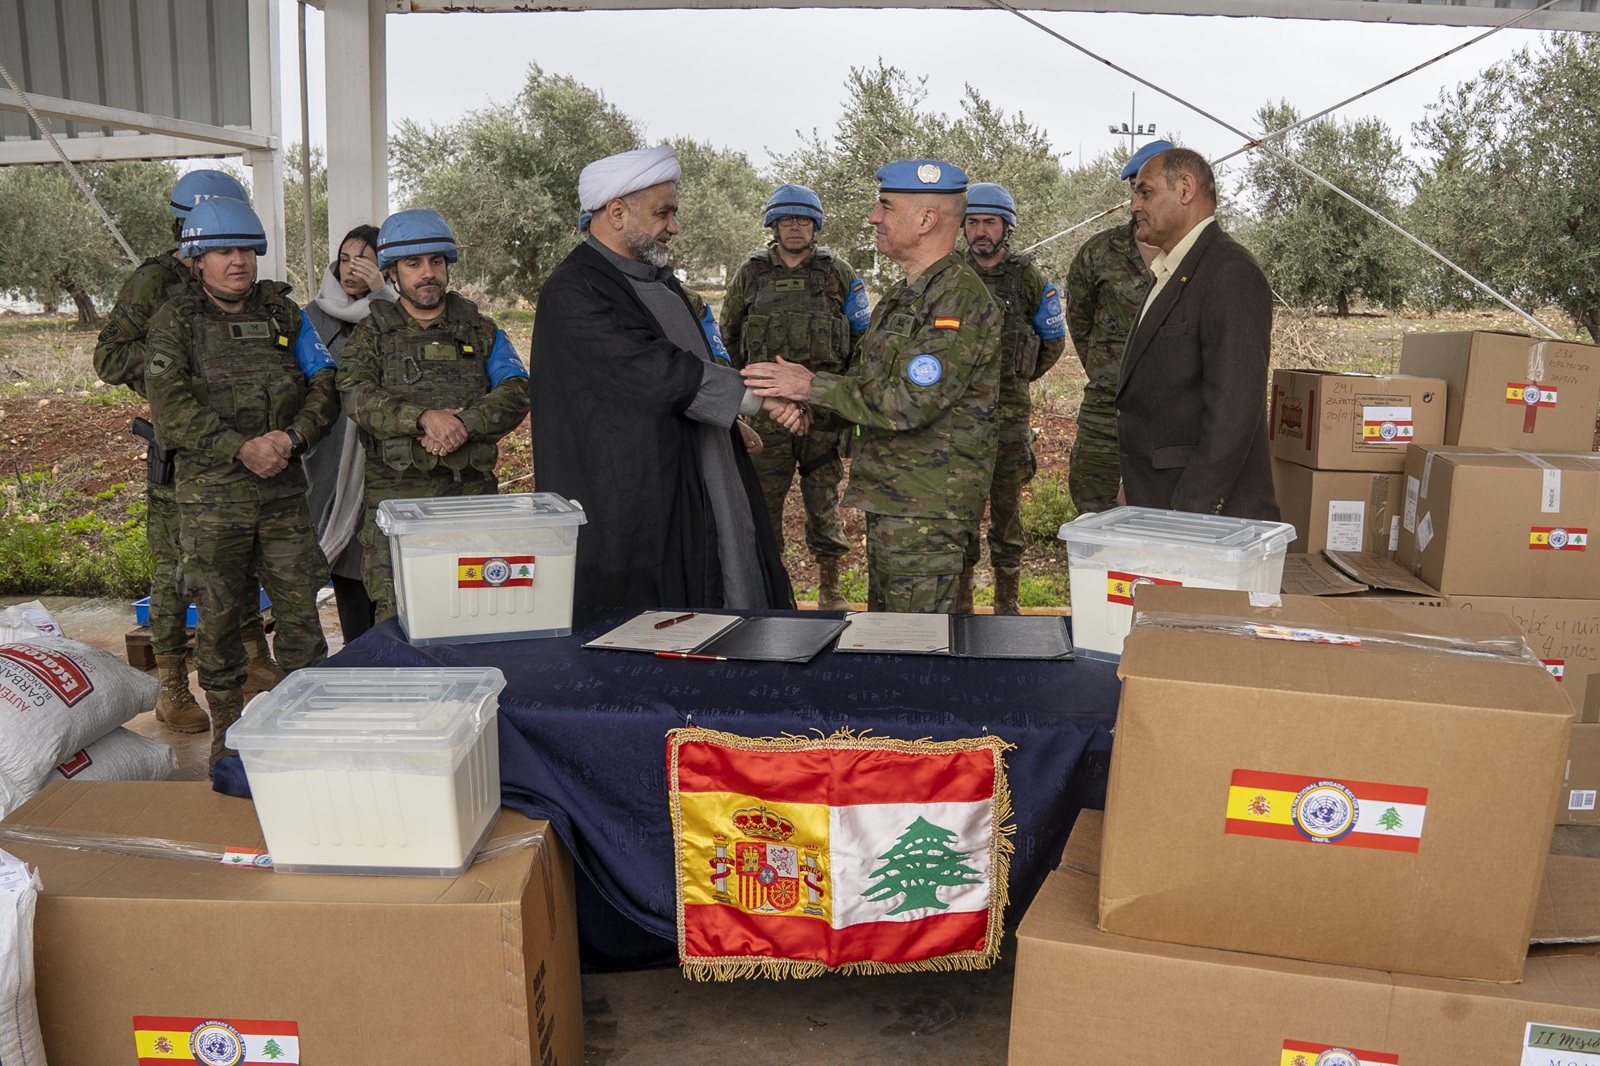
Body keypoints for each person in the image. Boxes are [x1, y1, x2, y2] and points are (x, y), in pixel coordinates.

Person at [529, 145, 802, 611]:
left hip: (698, 467)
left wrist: (728, 420)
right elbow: (650, 368)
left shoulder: (658, 282)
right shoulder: (574, 290)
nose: (673, 226)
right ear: (616, 212)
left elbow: (685, 365)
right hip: (631, 497)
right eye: (664, 213)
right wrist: (756, 399)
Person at [743, 159, 1002, 614]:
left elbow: (911, 401)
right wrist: (809, 411)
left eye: (885, 206)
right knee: (890, 644)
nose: (873, 217)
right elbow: (868, 385)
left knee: (914, 651)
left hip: (926, 511)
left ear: (925, 220)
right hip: (896, 505)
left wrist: (810, 387)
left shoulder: (958, 299)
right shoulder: (906, 296)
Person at [144, 197, 339, 770]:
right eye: (223, 252)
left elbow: (325, 383)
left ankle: (311, 734)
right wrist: (240, 447)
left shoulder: (287, 316)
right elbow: (170, 409)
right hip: (210, 505)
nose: (239, 262)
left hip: (283, 496)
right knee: (220, 620)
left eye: (247, 251)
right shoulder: (174, 323)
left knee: (302, 619)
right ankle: (227, 743)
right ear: (197, 259)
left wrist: (293, 439)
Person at [92, 169, 279, 735]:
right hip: (183, 451)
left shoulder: (242, 277)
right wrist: (172, 373)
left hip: (245, 449)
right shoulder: (155, 281)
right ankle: (172, 685)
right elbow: (108, 358)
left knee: (240, 554)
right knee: (178, 568)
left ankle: (252, 659)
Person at [336, 209, 530, 623]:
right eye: (414, 264)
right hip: (399, 511)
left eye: (436, 262)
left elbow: (517, 390)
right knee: (399, 625)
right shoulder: (371, 334)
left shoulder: (482, 331)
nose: (428, 273)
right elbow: (355, 394)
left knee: (477, 616)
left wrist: (464, 423)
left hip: (471, 509)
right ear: (391, 273)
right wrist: (423, 418)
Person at [720, 184, 869, 611]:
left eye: (803, 219)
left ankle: (830, 588)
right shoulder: (750, 273)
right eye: (786, 220)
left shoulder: (838, 272)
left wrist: (843, 400)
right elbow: (727, 339)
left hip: (822, 411)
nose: (795, 227)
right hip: (768, 414)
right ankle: (771, 586)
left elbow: (864, 340)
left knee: (823, 499)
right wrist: (742, 401)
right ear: (773, 225)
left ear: (816, 224)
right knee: (762, 505)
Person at [1119, 147, 1279, 519]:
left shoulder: (1229, 272)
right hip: (1161, 502)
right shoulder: (1173, 270)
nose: (1134, 206)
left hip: (1199, 517)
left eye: (1145, 192)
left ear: (1185, 189)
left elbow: (1235, 408)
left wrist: (1191, 511)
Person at [958, 182, 1068, 615]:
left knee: (1006, 511)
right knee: (962, 512)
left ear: (1007, 227)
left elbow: (1053, 341)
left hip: (1008, 421)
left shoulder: (1029, 280)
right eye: (973, 222)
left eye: (989, 222)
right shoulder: (951, 274)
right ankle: (961, 602)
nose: (980, 231)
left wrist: (1017, 379)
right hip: (958, 421)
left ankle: (1007, 601)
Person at [302, 223, 395, 642]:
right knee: (344, 562)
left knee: (386, 562)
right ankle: (359, 650)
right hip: (330, 457)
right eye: (345, 259)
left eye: (364, 260)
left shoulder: (395, 313)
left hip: (385, 461)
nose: (351, 269)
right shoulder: (312, 316)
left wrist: (382, 298)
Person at [1063, 141, 1165, 516]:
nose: (1139, 200)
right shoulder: (1099, 253)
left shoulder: (1205, 256)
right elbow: (1080, 322)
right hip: (1106, 414)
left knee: (1168, 523)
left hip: (1174, 420)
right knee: (1094, 513)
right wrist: (1110, 372)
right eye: (1135, 189)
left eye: (1149, 190)